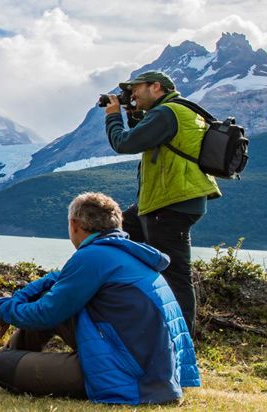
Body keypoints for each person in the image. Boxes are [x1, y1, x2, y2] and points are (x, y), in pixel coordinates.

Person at [0, 192, 199, 404]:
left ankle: (3, 361)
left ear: (74, 224)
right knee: (54, 300)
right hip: (151, 368)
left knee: (3, 367)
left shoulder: (93, 256)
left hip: (130, 376)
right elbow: (57, 280)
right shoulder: (121, 252)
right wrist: (14, 300)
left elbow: (45, 314)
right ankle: (9, 357)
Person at [105, 71, 220, 335]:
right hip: (165, 201)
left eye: (136, 88)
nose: (132, 94)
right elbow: (149, 136)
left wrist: (113, 116)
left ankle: (182, 340)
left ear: (156, 86)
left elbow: (124, 143)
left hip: (170, 203)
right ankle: (129, 320)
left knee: (175, 274)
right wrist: (133, 112)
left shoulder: (167, 113)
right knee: (115, 238)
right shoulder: (178, 110)